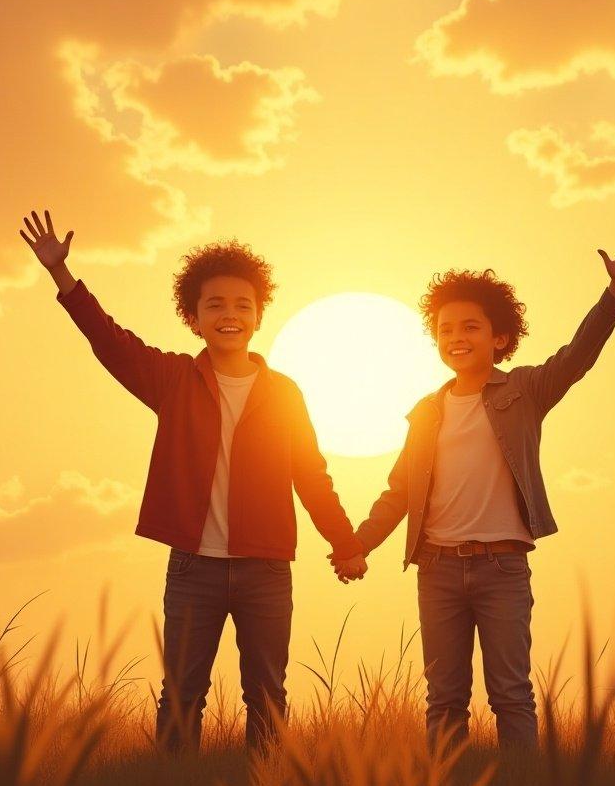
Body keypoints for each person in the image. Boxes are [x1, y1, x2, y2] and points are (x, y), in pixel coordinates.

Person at [19, 209, 367, 753]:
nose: (229, 314)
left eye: (242, 305)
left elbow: (311, 473)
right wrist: (63, 277)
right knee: (182, 693)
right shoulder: (174, 379)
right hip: (192, 568)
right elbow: (110, 341)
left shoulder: (285, 394)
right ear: (194, 316)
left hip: (266, 567)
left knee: (267, 695)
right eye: (215, 305)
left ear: (258, 316)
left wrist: (345, 544)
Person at [334, 230, 615, 751]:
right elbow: (399, 492)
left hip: (502, 568)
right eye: (445, 329)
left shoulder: (525, 392)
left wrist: (613, 296)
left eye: (471, 326)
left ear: (500, 338)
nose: (456, 336)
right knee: (444, 699)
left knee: (510, 694)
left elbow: (576, 358)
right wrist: (356, 545)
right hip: (436, 569)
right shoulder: (425, 412)